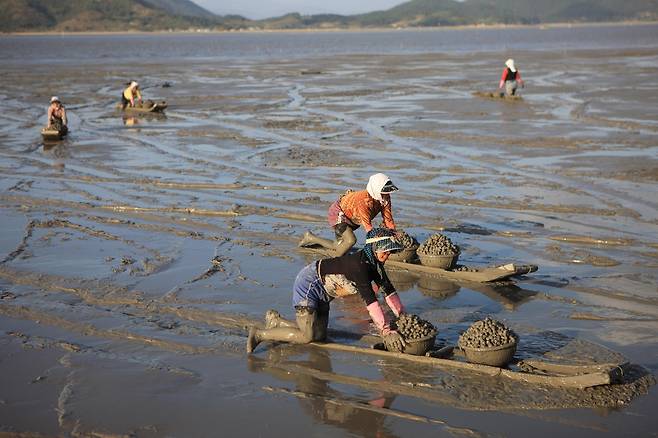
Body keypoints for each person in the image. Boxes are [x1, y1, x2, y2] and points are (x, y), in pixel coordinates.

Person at [247, 228, 407, 353]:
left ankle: (276, 322)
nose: (387, 255)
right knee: (307, 337)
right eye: (385, 251)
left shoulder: (375, 265)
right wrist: (386, 330)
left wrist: (402, 316)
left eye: (389, 252)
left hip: (325, 292)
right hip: (309, 283)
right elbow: (370, 301)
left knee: (319, 335)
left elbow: (388, 289)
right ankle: (260, 334)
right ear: (373, 247)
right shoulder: (360, 266)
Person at [298, 173, 398, 256]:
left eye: (388, 192)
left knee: (339, 245)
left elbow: (388, 219)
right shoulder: (364, 200)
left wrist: (394, 234)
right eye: (384, 192)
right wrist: (377, 241)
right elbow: (367, 226)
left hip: (352, 219)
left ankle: (310, 237)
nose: (387, 195)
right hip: (339, 214)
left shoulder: (385, 199)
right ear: (375, 189)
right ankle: (334, 257)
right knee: (350, 241)